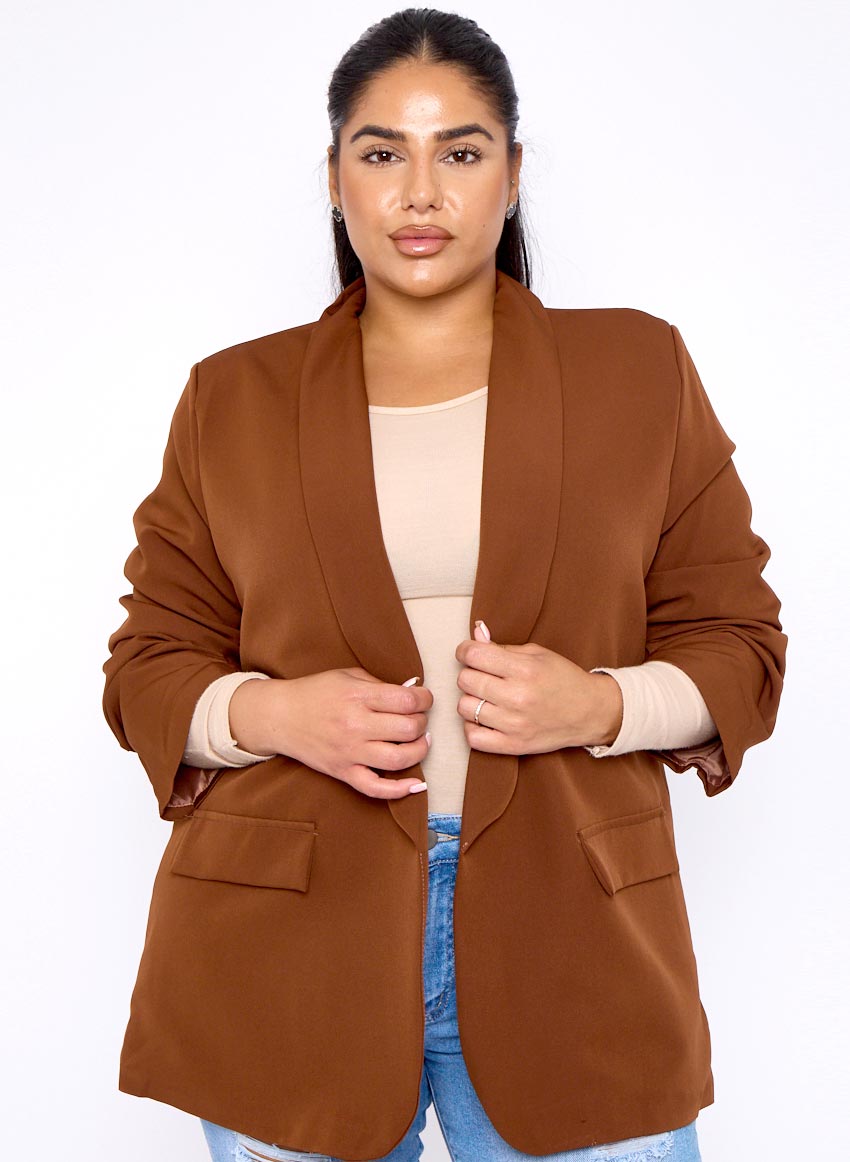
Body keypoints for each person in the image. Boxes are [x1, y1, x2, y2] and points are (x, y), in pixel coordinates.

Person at [102, 8, 787, 1162]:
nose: (419, 192)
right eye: (381, 152)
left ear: (512, 175)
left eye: (459, 152)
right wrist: (272, 712)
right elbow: (146, 664)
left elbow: (740, 642)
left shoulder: (637, 369)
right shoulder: (231, 397)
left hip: (572, 944)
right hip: (285, 950)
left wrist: (600, 703)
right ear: (335, 179)